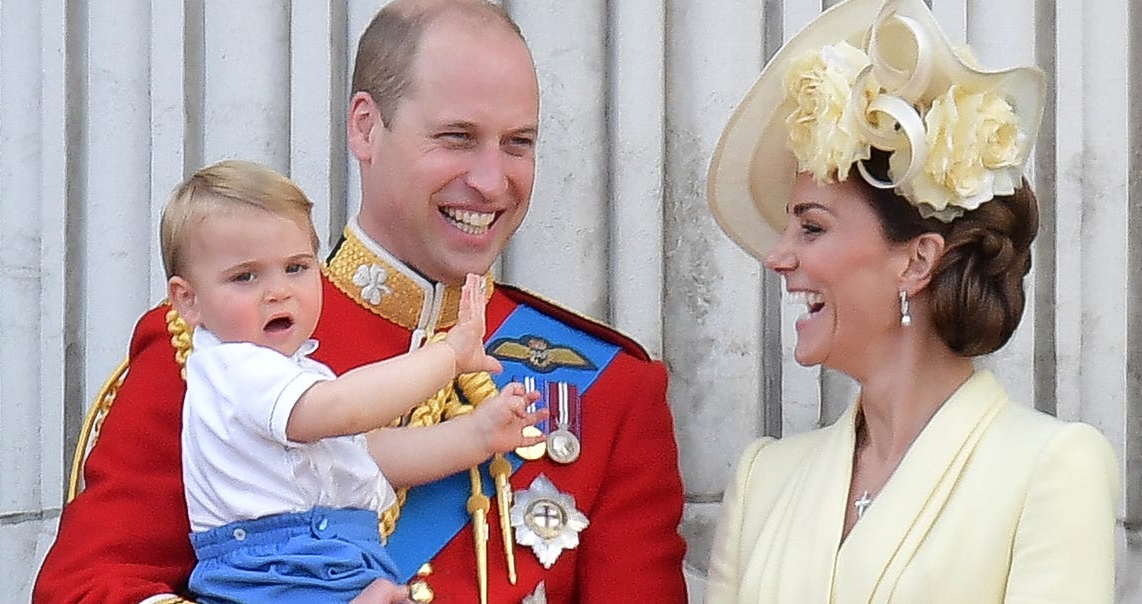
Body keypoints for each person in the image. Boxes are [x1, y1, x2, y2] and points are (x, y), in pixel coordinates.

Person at [33, 1, 688, 603]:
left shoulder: (606, 390)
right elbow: (86, 588)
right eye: (457, 137)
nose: (492, 181)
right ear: (366, 128)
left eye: (518, 142)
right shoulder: (213, 343)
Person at [702, 0, 1118, 602]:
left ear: (917, 261)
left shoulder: (1050, 469)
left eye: (811, 228)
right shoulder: (763, 479)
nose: (778, 257)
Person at [159, 159, 545, 603]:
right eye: (245, 276)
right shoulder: (236, 367)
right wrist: (448, 356)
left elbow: (372, 456)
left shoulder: (294, 374)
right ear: (188, 301)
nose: (278, 291)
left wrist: (476, 435)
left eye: (297, 268)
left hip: (326, 563)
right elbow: (341, 410)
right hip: (279, 571)